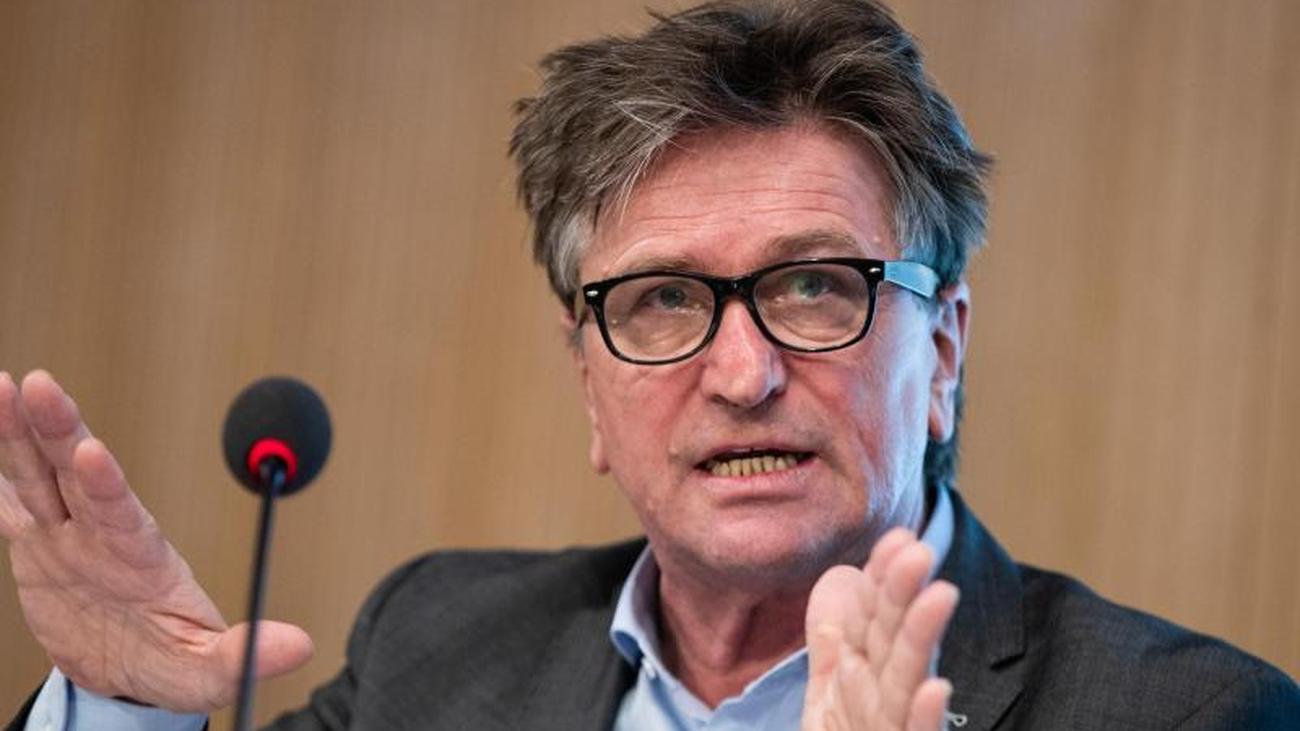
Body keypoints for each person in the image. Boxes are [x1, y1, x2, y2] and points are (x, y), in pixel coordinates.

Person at [3, 0, 1297, 729]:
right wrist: (121, 709)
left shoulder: (1189, 717)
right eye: (665, 300)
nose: (742, 374)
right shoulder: (440, 647)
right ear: (589, 382)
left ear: (944, 347)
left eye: (813, 285)